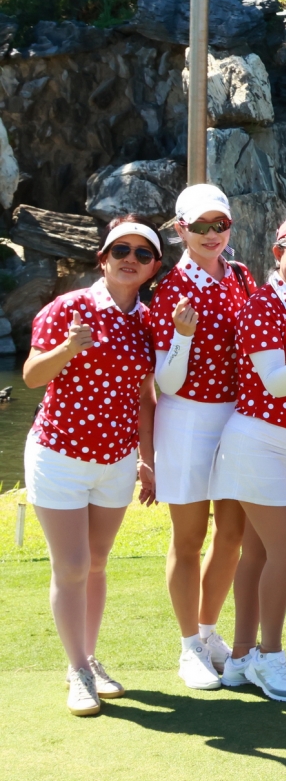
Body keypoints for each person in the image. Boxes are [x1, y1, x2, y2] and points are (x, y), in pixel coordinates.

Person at [24, 217, 163, 715]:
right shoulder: (69, 308)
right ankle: (78, 670)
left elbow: (147, 397)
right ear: (102, 258)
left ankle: (85, 657)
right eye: (120, 249)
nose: (131, 258)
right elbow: (32, 377)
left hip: (117, 461)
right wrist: (68, 348)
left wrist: (147, 460)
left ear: (152, 268)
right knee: (74, 564)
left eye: (142, 254)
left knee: (98, 563)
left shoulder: (147, 322)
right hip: (59, 456)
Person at [210, 212, 286, 703]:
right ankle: (269, 654)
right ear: (278, 252)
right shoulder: (262, 305)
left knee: (259, 553)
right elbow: (274, 383)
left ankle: (241, 658)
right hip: (256, 440)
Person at [146, 184, 255, 690]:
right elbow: (165, 382)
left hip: (235, 417)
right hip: (186, 417)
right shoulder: (169, 291)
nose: (213, 234)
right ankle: (189, 646)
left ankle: (210, 633)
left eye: (221, 225)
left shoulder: (242, 277)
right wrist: (183, 337)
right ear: (181, 229)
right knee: (189, 538)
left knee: (231, 534)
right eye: (202, 226)